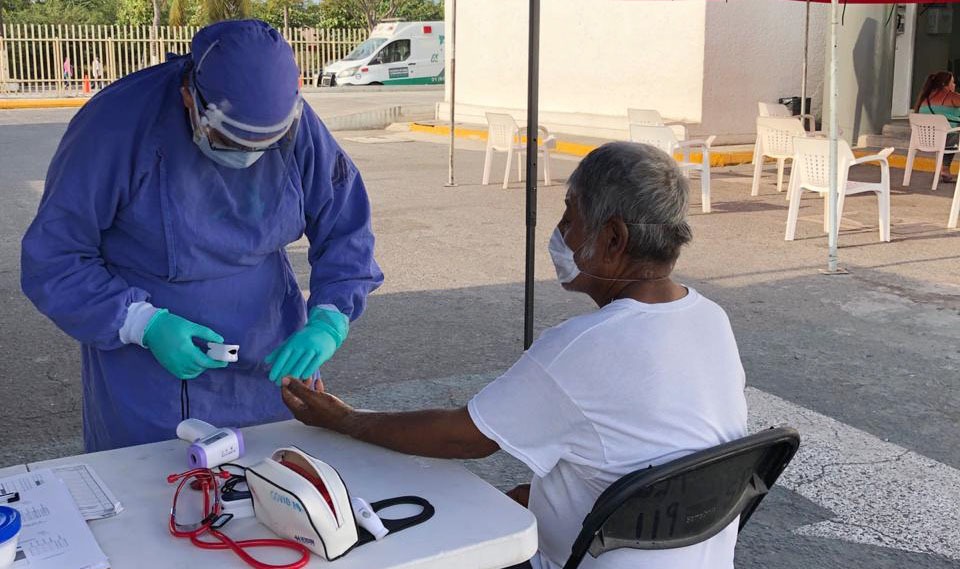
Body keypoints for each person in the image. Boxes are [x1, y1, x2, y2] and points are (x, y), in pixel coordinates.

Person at [280, 142, 749, 569]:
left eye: (571, 216)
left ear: (613, 239)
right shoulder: (711, 318)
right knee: (516, 498)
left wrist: (342, 418)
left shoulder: (581, 348)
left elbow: (465, 439)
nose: (561, 232)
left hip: (578, 562)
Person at [21, 20, 383, 452]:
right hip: (151, 366)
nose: (248, 158)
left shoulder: (297, 125)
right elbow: (54, 257)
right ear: (189, 95)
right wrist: (142, 323)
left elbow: (345, 226)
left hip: (269, 351)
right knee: (158, 495)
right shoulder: (116, 125)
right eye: (227, 140)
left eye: (267, 145)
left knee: (272, 486)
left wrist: (330, 317)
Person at [915, 70, 960, 183]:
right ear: (945, 84)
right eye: (952, 82)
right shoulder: (951, 96)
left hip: (926, 140)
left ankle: (945, 169)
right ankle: (945, 168)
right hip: (947, 140)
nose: (954, 85)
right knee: (954, 130)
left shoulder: (924, 98)